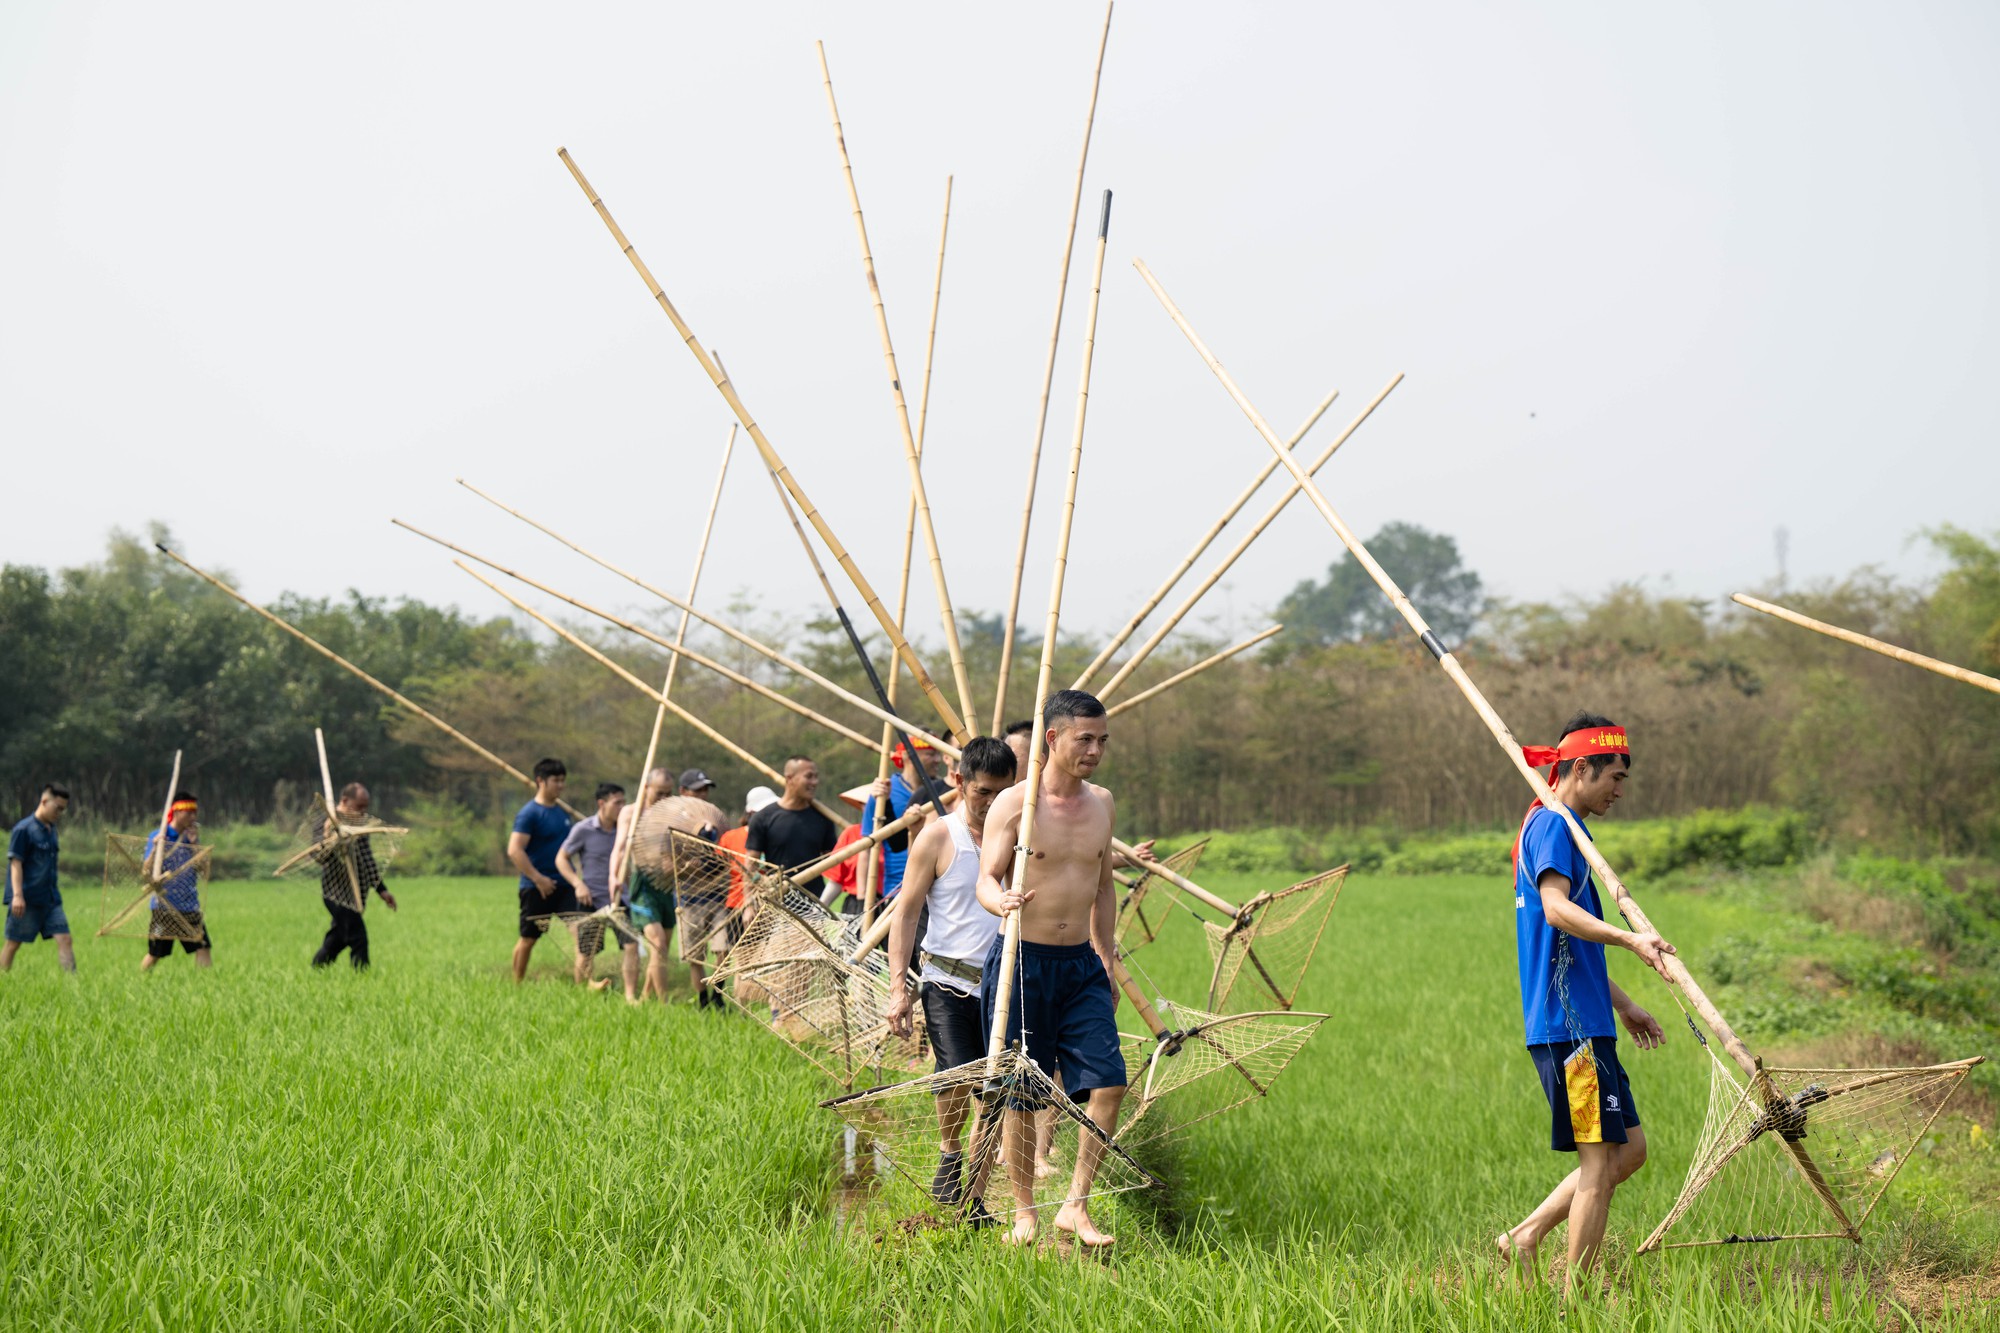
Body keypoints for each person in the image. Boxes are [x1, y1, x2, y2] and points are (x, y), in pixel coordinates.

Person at [1496, 713, 1676, 1287]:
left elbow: (1569, 946)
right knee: (1598, 1165)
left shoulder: (1563, 828)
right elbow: (1555, 909)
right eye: (1614, 778)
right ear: (1582, 768)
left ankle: (1525, 1237)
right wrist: (1630, 937)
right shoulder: (1553, 827)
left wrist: (1623, 1003)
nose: (1620, 791)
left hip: (1588, 1020)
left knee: (1631, 1151)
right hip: (1570, 1030)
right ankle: (1576, 1301)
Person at [976, 690, 1126, 1248]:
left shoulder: (1103, 804)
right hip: (1022, 961)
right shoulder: (1016, 804)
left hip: (1080, 965)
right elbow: (986, 878)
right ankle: (1023, 1209)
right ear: (1053, 739)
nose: (1095, 750)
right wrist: (1002, 901)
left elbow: (1104, 886)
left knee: (1109, 1083)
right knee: (1021, 1092)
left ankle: (1075, 1205)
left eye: (1103, 740)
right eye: (1084, 739)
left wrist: (1106, 957)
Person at [885, 737, 1016, 1206]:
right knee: (958, 1073)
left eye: (1003, 793)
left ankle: (975, 1196)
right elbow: (905, 913)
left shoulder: (1020, 839)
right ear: (959, 782)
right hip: (946, 980)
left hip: (1002, 983)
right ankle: (949, 1150)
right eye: (983, 792)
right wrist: (899, 988)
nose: (992, 803)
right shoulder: (939, 836)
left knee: (998, 1088)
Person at [637, 770, 731, 1007]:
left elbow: (729, 857)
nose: (703, 794)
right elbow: (667, 870)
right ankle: (702, 1000)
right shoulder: (672, 827)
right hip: (690, 899)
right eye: (697, 790)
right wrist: (689, 866)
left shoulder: (717, 822)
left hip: (718, 897)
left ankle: (718, 996)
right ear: (684, 793)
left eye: (705, 789)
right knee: (695, 956)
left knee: (723, 949)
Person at [310, 783, 399, 969]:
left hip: (358, 891)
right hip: (336, 894)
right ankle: (362, 979)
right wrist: (330, 839)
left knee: (339, 937)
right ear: (344, 801)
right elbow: (318, 857)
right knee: (358, 938)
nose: (363, 811)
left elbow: (367, 860)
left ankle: (317, 969)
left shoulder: (359, 825)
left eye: (365, 806)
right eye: (359, 806)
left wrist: (382, 890)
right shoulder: (326, 822)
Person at [556, 781, 632, 995]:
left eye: (624, 803)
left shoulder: (626, 830)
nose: (622, 808)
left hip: (620, 899)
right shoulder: (584, 829)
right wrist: (578, 884)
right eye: (617, 803)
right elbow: (561, 859)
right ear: (602, 803)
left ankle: (630, 993)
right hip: (591, 898)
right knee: (586, 950)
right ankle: (582, 991)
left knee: (631, 946)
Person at [610, 768, 676, 1004]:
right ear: (646, 788)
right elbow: (619, 848)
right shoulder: (631, 812)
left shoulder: (672, 813)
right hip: (643, 884)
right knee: (657, 943)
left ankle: (647, 996)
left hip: (667, 885)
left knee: (663, 947)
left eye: (668, 793)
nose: (663, 798)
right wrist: (614, 876)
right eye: (659, 793)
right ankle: (663, 1002)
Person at [509, 758, 575, 984]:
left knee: (580, 932)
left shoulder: (562, 812)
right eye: (556, 781)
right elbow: (515, 850)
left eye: (563, 781)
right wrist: (538, 879)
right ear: (540, 781)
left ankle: (585, 983)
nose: (560, 786)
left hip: (565, 884)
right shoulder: (529, 814)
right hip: (536, 887)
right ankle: (517, 983)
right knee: (528, 938)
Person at [745, 756, 840, 898]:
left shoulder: (823, 818)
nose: (815, 782)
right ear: (789, 779)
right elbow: (751, 865)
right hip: (776, 900)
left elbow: (834, 862)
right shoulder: (763, 818)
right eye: (809, 777)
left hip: (815, 903)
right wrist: (748, 902)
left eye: (816, 777)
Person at [4, 784, 74, 973]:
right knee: (13, 943)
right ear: (44, 801)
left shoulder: (51, 830)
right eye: (57, 808)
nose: (59, 813)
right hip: (27, 898)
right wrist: (17, 896)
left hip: (50, 898)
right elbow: (15, 863)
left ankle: (73, 985)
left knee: (65, 939)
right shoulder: (23, 830)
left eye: (63, 810)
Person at [140, 791, 211, 971]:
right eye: (189, 813)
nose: (193, 817)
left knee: (202, 947)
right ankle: (139, 981)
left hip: (189, 904)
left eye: (195, 813)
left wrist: (195, 844)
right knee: (155, 954)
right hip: (164, 905)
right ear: (177, 812)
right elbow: (146, 870)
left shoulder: (191, 837)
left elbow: (203, 870)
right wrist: (157, 847)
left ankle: (207, 986)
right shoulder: (159, 836)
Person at [717, 786, 777, 950]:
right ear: (751, 812)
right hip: (738, 906)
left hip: (770, 905)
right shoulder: (731, 838)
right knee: (743, 963)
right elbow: (717, 869)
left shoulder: (777, 837)